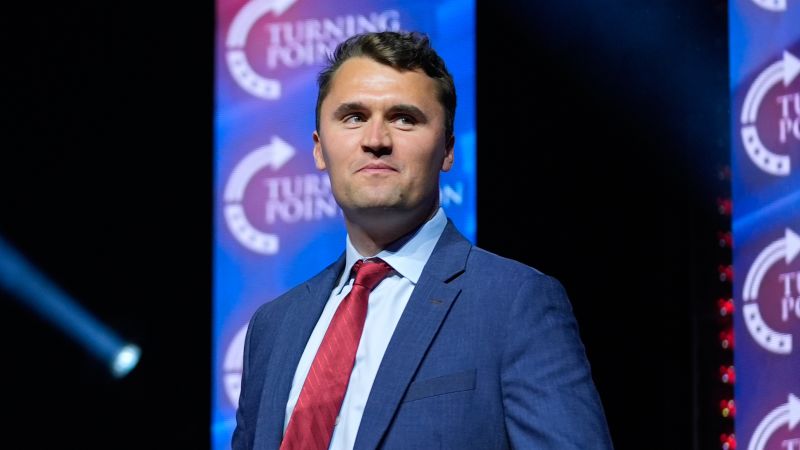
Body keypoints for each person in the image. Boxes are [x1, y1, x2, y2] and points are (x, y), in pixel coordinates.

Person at [232, 31, 614, 450]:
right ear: (319, 149)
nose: (376, 140)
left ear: (447, 150)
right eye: (354, 117)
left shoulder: (513, 303)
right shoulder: (273, 326)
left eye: (404, 118)